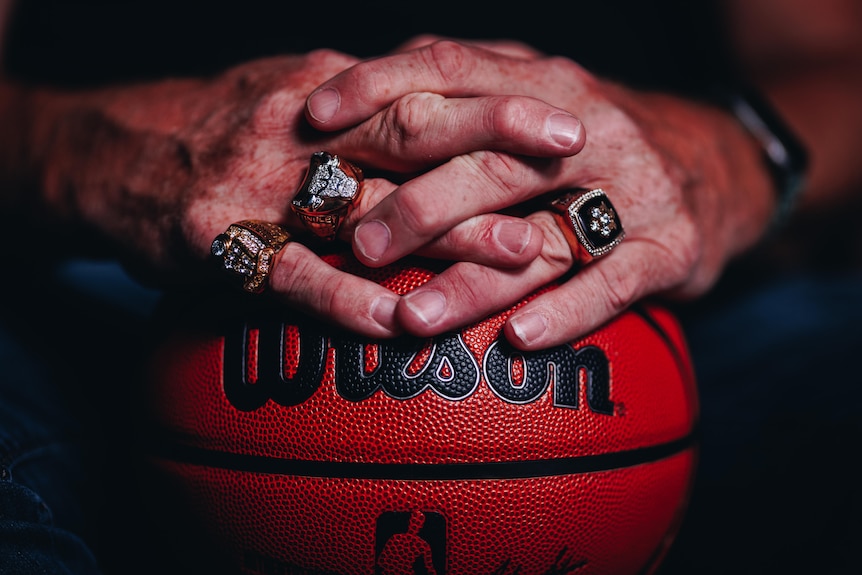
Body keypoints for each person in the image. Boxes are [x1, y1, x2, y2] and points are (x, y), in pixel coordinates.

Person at [1, 0, 860, 573]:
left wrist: (731, 152)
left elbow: (838, 64)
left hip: (660, 302)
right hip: (123, 278)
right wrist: (82, 152)